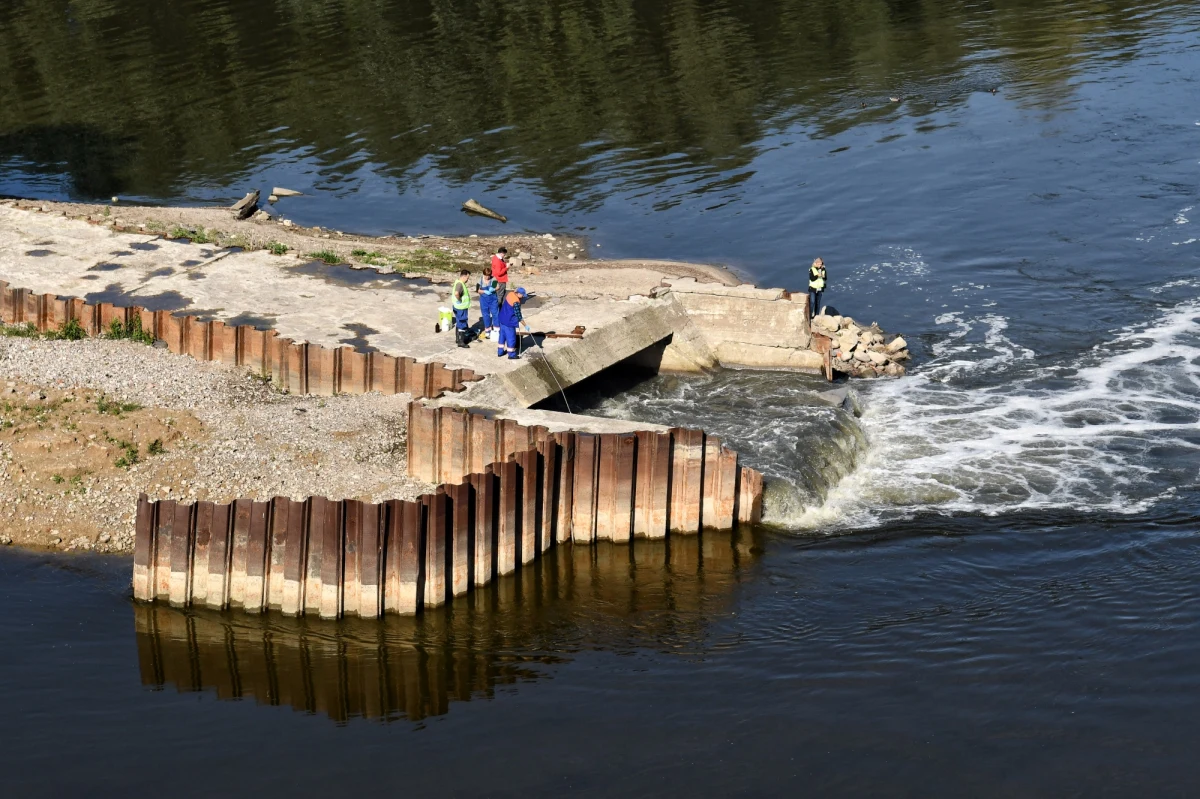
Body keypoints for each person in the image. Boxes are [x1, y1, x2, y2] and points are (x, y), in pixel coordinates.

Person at [497, 287, 531, 360]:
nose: (523, 297)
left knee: (502, 337)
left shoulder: (510, 294)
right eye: (522, 295)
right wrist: (525, 325)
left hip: (502, 319)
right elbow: (518, 316)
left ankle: (500, 352)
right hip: (509, 322)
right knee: (511, 339)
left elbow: (515, 290)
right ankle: (511, 354)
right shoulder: (516, 302)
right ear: (518, 294)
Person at [477, 265, 500, 340]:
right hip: (484, 300)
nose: (487, 277)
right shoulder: (479, 280)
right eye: (486, 276)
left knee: (495, 314)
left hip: (493, 300)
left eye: (489, 276)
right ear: (484, 274)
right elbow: (478, 290)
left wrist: (492, 289)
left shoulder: (493, 279)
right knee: (486, 315)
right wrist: (484, 291)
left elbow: (497, 287)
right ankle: (488, 330)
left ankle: (496, 330)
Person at [451, 269, 472, 348]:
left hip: (457, 306)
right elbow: (456, 293)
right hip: (461, 307)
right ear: (464, 276)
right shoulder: (460, 284)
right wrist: (459, 299)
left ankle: (458, 339)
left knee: (459, 322)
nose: (467, 279)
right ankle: (461, 341)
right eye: (467, 278)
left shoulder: (457, 282)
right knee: (462, 323)